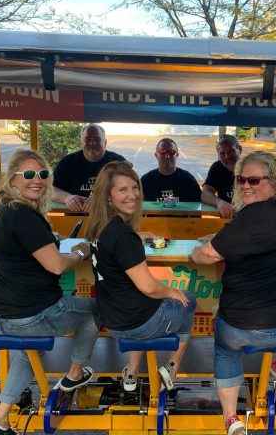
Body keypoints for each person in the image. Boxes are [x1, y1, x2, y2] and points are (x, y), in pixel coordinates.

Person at [191, 151, 276, 435]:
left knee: (225, 346)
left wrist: (196, 250)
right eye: (240, 180)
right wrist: (224, 239)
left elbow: (207, 256)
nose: (245, 185)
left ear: (273, 182)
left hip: (254, 329)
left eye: (253, 180)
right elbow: (257, 241)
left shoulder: (253, 218)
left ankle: (231, 419)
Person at [0, 150, 98, 435]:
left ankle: (1, 420)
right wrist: (80, 253)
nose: (38, 180)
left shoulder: (4, 208)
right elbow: (56, 266)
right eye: (29, 175)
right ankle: (74, 374)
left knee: (29, 350)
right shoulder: (22, 216)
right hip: (31, 314)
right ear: (13, 179)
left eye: (43, 175)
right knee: (98, 308)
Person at [85, 161, 196, 392]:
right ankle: (172, 367)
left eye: (135, 188)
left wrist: (137, 235)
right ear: (108, 196)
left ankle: (131, 373)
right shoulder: (124, 236)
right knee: (188, 299)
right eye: (122, 190)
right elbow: (149, 287)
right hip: (137, 323)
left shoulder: (100, 228)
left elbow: (118, 246)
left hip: (113, 321)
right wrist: (172, 292)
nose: (132, 195)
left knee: (141, 303)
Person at [52, 124, 127, 212]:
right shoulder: (67, 162)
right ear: (81, 143)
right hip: (75, 216)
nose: (92, 143)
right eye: (87, 140)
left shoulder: (118, 162)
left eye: (97, 139)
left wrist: (103, 199)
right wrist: (67, 198)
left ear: (105, 143)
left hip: (110, 216)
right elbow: (51, 189)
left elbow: (131, 190)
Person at [201, 134, 242, 218]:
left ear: (239, 149)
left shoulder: (251, 167)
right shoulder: (217, 168)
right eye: (222, 153)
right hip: (227, 220)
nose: (227, 156)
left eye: (231, 151)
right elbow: (205, 194)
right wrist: (220, 203)